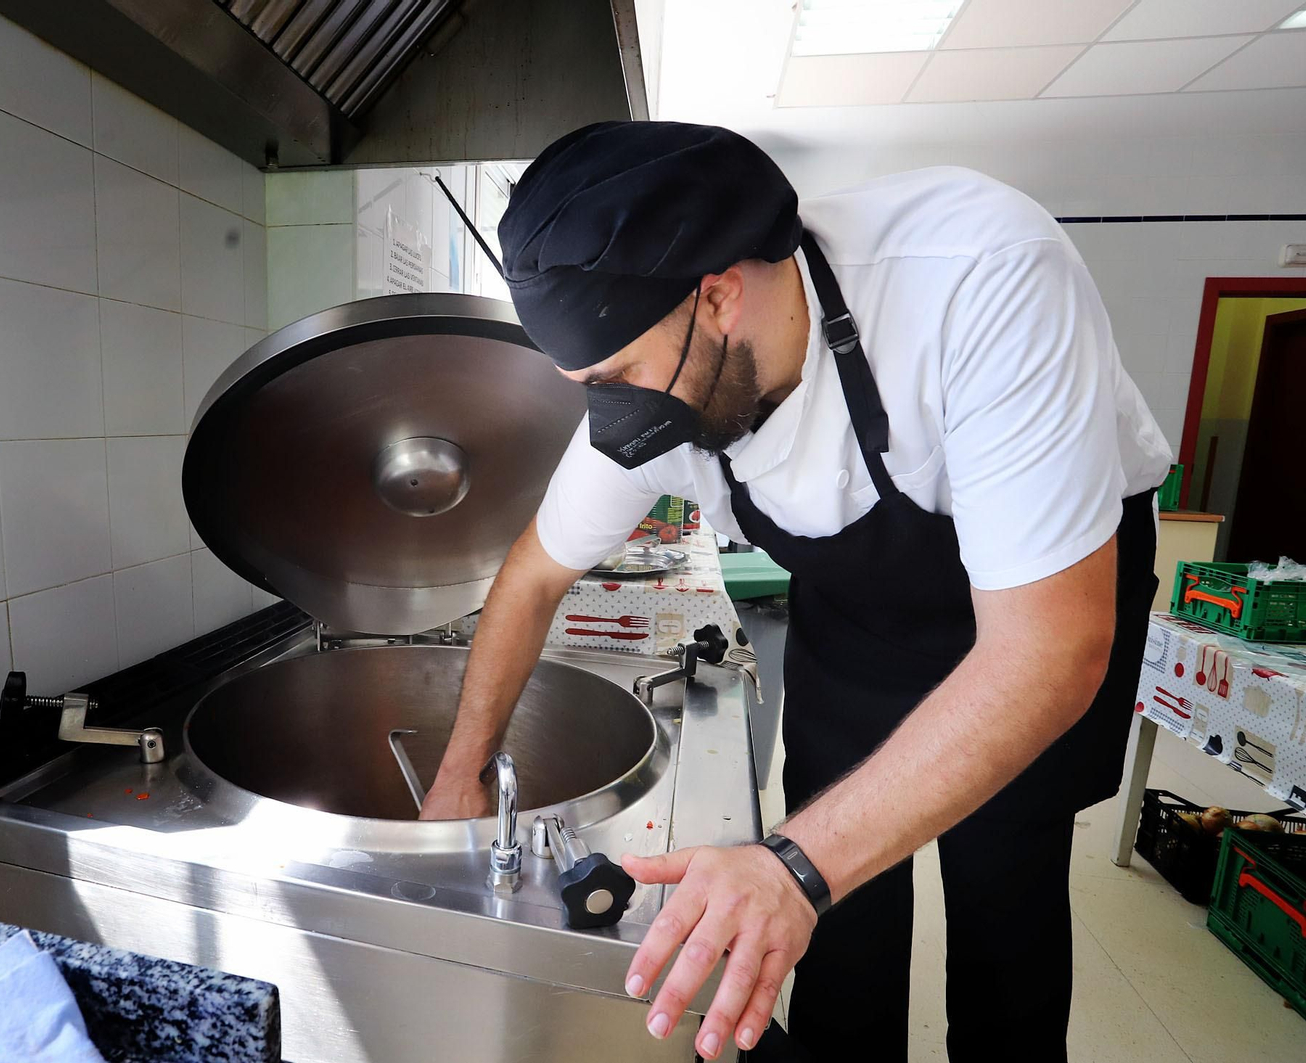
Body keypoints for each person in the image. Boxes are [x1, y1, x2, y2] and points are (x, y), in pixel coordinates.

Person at [418, 121, 1169, 1062]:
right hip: (858, 619)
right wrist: (460, 774)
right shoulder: (659, 385)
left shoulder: (979, 271)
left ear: (721, 294)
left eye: (615, 378)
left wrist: (796, 869)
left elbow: (1048, 650)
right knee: (834, 923)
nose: (610, 417)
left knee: (1002, 889)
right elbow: (532, 576)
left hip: (1040, 600)